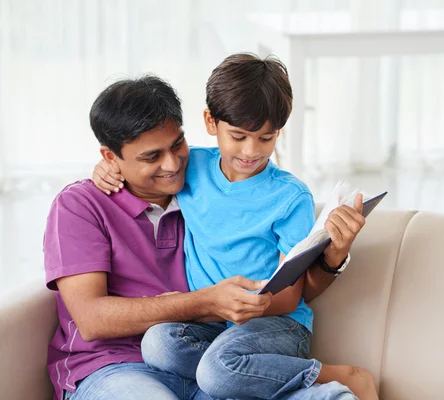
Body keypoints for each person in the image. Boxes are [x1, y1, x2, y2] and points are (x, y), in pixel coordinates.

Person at [45, 74, 363, 400]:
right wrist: (207, 301)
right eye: (151, 157)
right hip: (117, 367)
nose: (171, 165)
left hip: (211, 359)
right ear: (110, 157)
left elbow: (289, 287)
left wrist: (334, 257)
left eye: (177, 145)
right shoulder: (81, 205)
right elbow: (92, 320)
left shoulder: (198, 185)